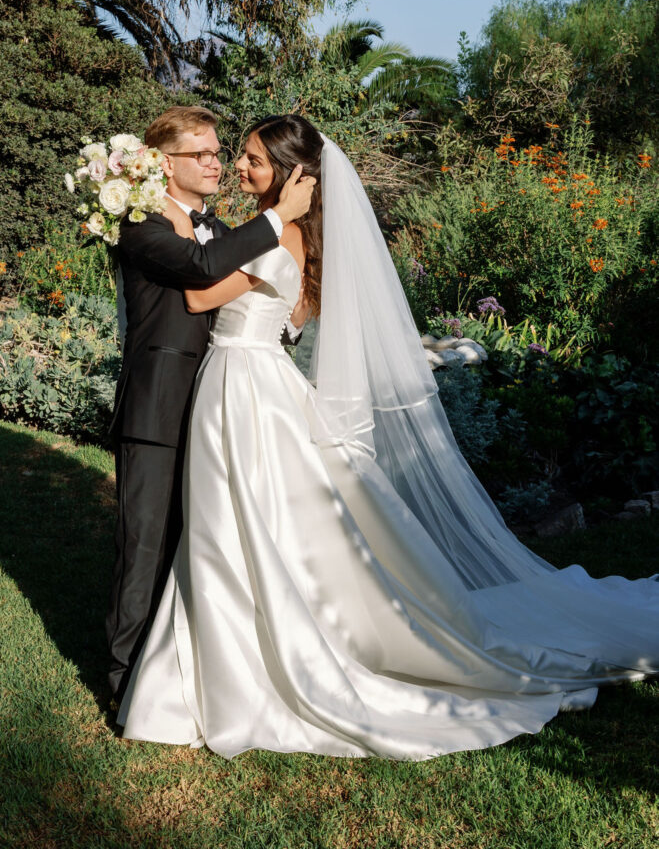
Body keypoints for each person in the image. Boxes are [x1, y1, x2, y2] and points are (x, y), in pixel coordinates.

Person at [117, 114, 659, 760]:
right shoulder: (288, 238)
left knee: (237, 519)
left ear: (292, 176)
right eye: (233, 155)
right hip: (249, 379)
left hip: (242, 384)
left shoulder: (273, 235)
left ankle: (238, 657)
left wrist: (192, 230)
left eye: (252, 160)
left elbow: (203, 299)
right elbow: (289, 321)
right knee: (235, 520)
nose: (237, 166)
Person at [106, 106, 315, 701]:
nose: (216, 162)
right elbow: (198, 275)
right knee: (144, 546)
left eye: (219, 152)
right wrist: (278, 218)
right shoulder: (139, 221)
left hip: (220, 406)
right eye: (201, 153)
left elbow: (252, 292)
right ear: (163, 163)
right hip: (157, 408)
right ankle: (124, 682)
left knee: (197, 543)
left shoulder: (224, 232)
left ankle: (179, 673)